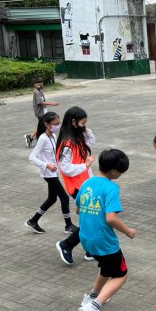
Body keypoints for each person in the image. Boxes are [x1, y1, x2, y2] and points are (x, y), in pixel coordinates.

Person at [77, 149, 136, 311]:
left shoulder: (87, 182)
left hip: (86, 238)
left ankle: (91, 297)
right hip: (104, 240)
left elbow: (78, 209)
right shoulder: (111, 188)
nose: (120, 175)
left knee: (106, 267)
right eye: (121, 171)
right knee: (121, 274)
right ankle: (94, 307)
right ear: (113, 171)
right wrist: (128, 231)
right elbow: (111, 218)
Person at [54, 107, 96, 265]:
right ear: (73, 122)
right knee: (92, 218)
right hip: (77, 187)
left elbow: (90, 142)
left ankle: (89, 250)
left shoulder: (77, 137)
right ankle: (67, 245)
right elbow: (65, 168)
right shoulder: (67, 143)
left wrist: (86, 130)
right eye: (82, 123)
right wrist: (85, 165)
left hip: (85, 183)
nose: (84, 125)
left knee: (92, 218)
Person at [25, 112, 78, 234]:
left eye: (58, 123)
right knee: (64, 198)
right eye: (55, 124)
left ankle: (33, 221)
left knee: (52, 199)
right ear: (46, 124)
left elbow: (55, 153)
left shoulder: (53, 136)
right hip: (48, 174)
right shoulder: (43, 138)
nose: (57, 126)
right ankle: (68, 225)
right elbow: (31, 157)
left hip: (54, 172)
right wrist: (46, 165)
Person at [25, 77, 59, 148]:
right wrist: (52, 103)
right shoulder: (36, 92)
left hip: (43, 111)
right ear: (35, 84)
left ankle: (30, 138)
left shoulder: (39, 90)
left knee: (42, 126)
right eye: (39, 85)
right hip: (40, 113)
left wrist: (40, 88)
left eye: (41, 84)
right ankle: (32, 138)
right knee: (43, 126)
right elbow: (41, 103)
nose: (40, 86)